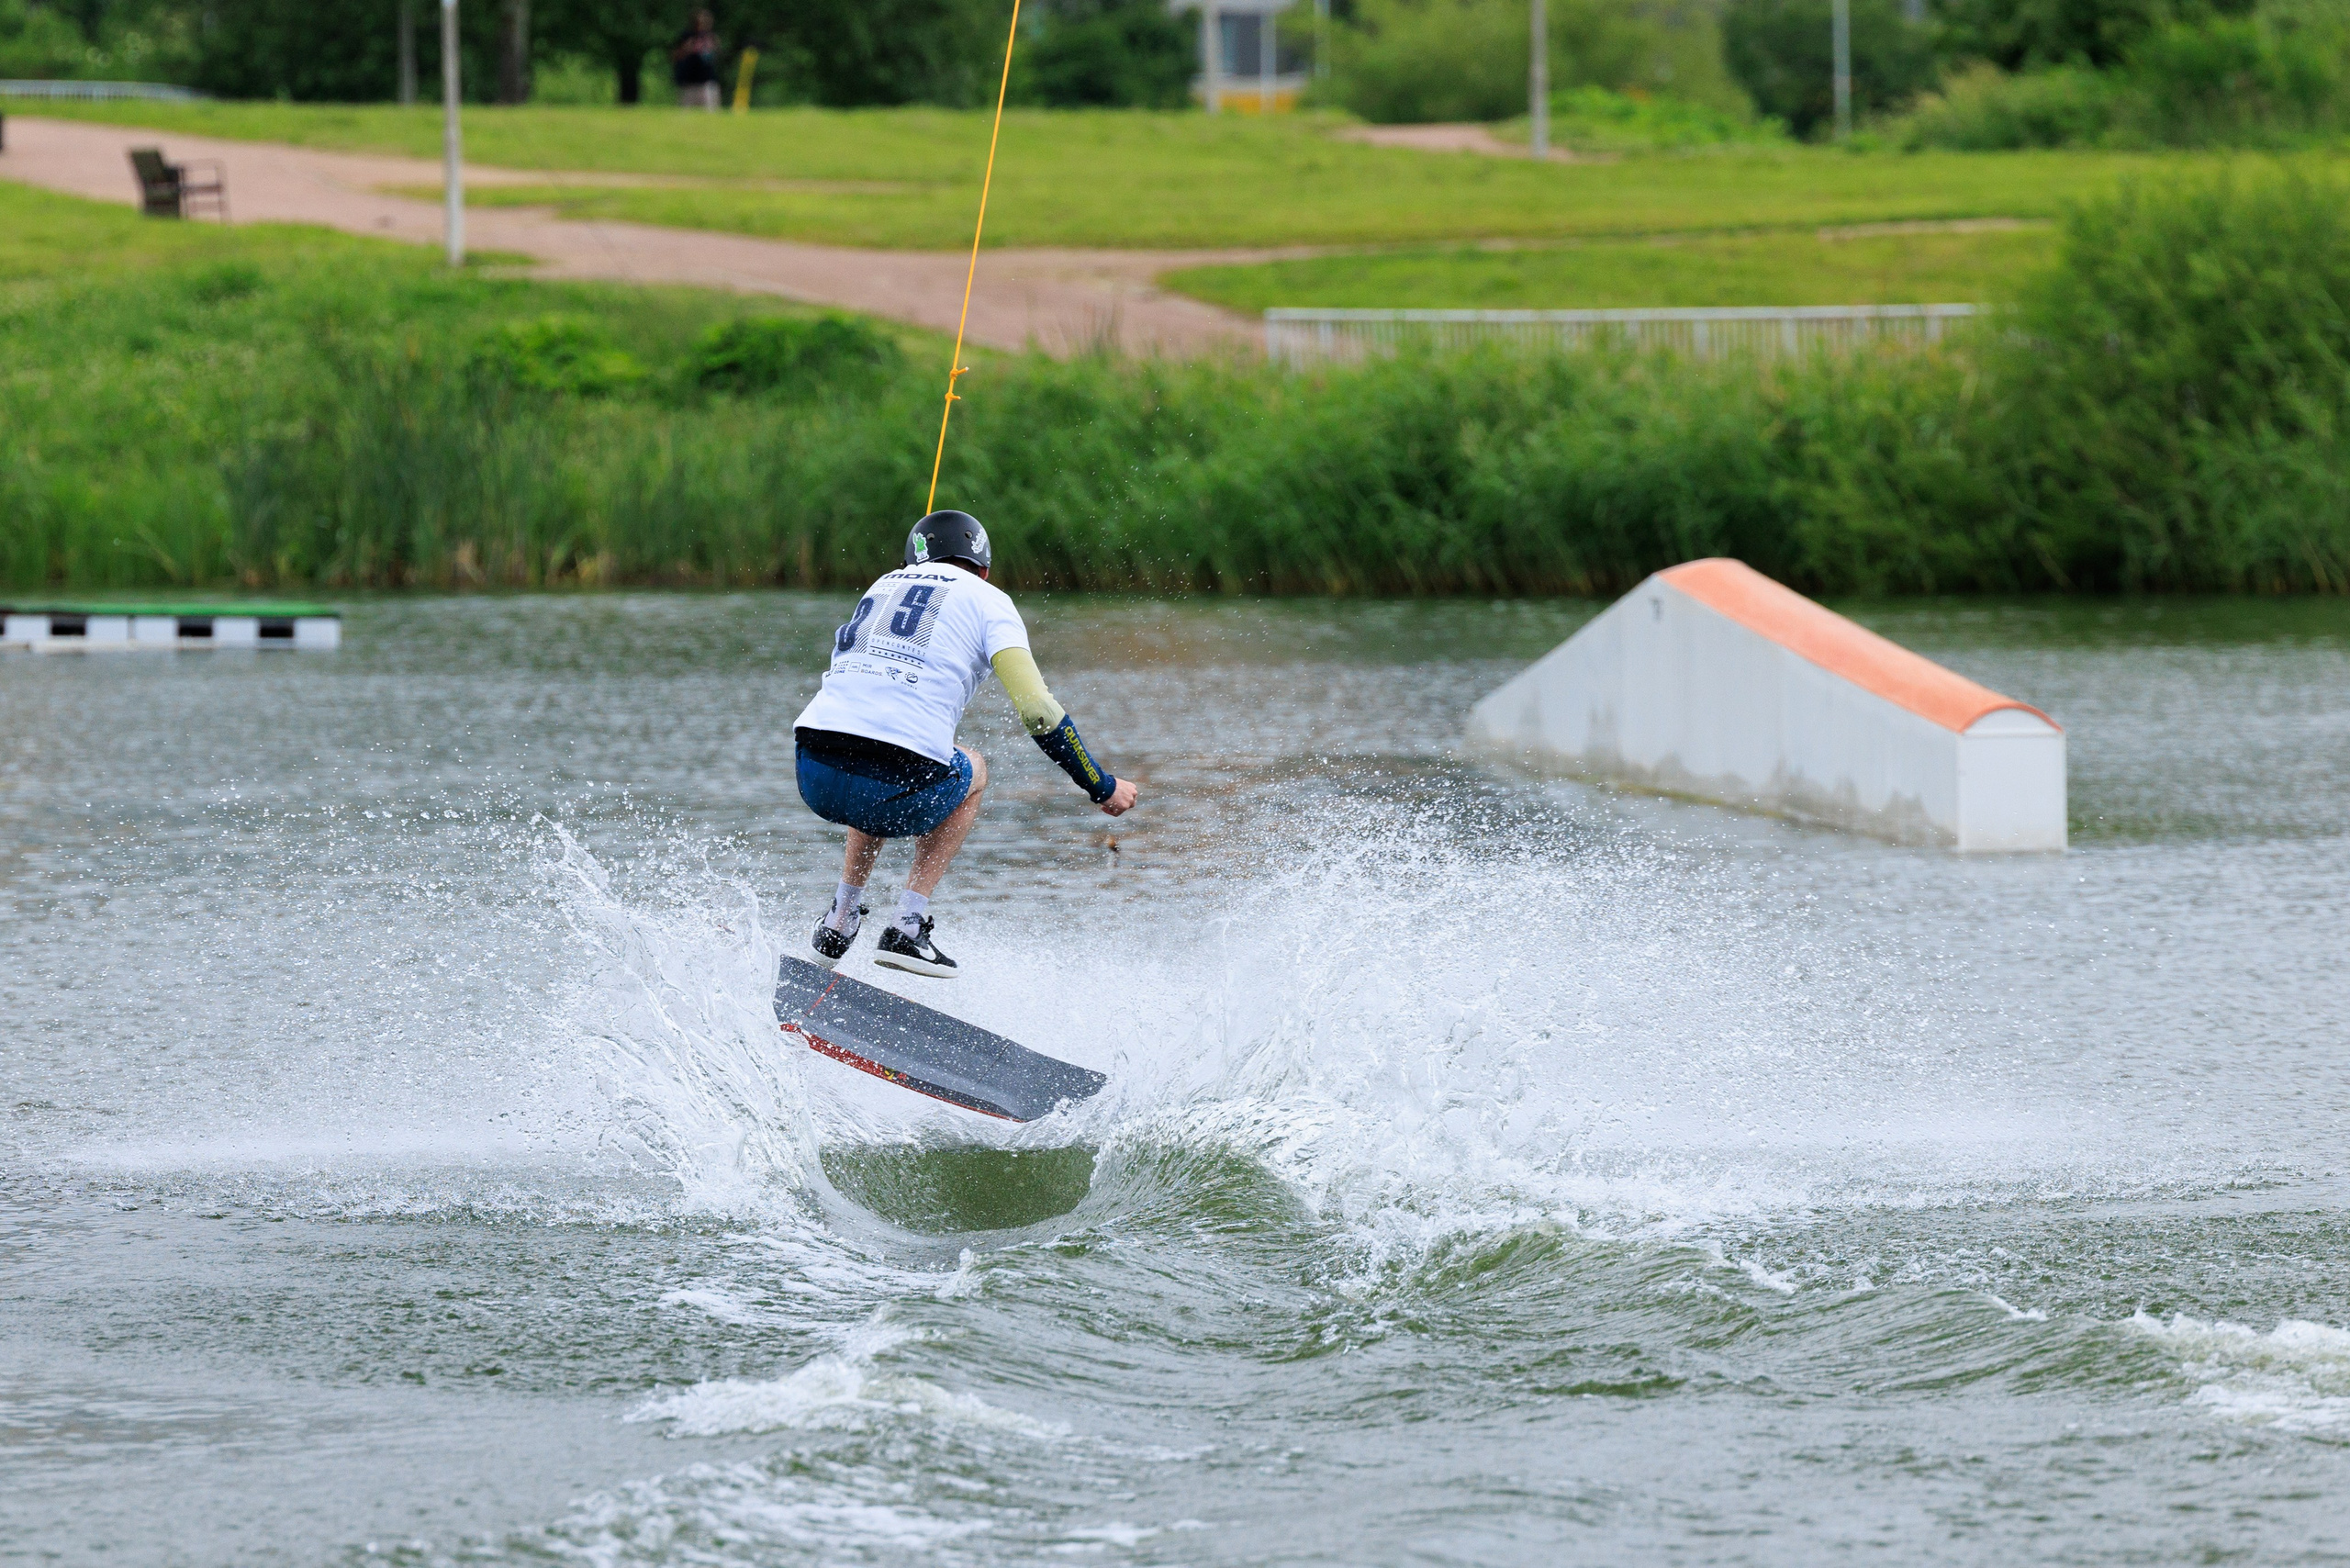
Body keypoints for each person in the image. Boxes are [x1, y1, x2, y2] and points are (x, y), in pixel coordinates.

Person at [794, 510, 1138, 978]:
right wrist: (1100, 784)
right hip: (890, 778)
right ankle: (907, 927)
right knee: (970, 767)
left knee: (876, 752)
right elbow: (1038, 709)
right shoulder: (990, 600)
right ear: (984, 570)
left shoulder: (883, 584)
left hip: (812, 771)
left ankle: (840, 917)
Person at [671, 10, 721, 110]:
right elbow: (675, 56)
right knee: (686, 115)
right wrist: (686, 49)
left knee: (710, 114)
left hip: (707, 82)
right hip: (689, 82)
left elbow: (717, 56)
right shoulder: (688, 36)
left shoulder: (711, 37)